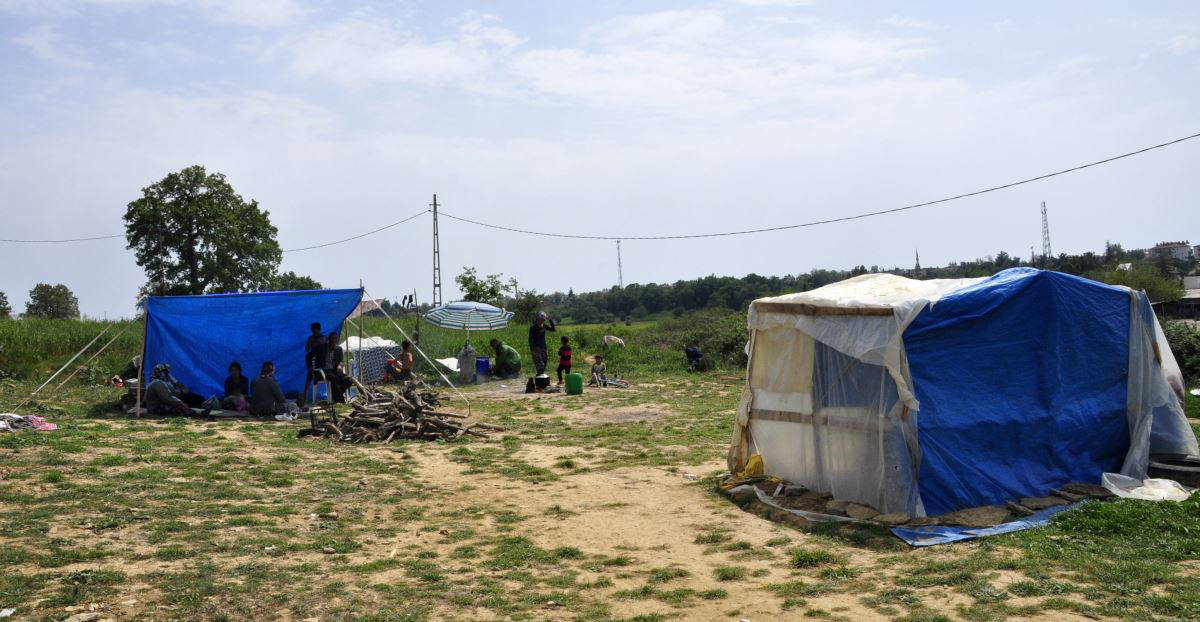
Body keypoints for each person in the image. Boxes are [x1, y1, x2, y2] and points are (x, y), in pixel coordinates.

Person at [302, 322, 327, 405]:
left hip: (323, 362)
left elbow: (327, 351)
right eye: (312, 331)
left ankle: (304, 396)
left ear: (319, 330)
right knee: (309, 376)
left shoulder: (324, 338)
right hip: (313, 362)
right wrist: (310, 342)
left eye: (315, 330)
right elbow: (307, 350)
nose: (313, 332)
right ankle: (304, 396)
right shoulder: (311, 338)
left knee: (310, 376)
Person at [323, 332, 351, 403]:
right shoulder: (323, 349)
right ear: (329, 339)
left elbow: (341, 361)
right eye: (332, 339)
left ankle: (337, 396)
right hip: (326, 371)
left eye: (335, 339)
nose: (334, 340)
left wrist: (339, 365)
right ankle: (341, 400)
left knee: (348, 380)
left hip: (335, 370)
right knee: (334, 379)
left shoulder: (339, 349)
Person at [527, 311, 556, 376]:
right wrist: (531, 348)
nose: (543, 321)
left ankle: (540, 376)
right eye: (542, 319)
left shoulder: (544, 326)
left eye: (544, 319)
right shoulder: (533, 327)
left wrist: (550, 320)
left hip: (543, 347)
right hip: (536, 347)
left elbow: (553, 329)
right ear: (538, 319)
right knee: (540, 363)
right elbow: (530, 338)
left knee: (545, 362)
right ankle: (539, 376)